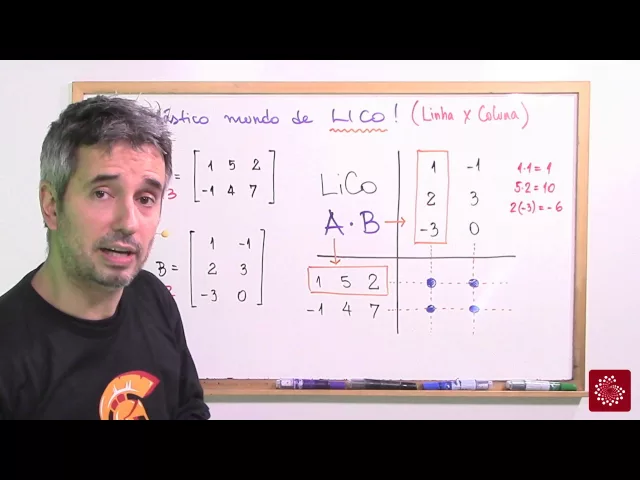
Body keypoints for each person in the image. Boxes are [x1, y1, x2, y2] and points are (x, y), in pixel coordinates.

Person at [0, 95, 210, 420]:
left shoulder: (152, 297)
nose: (129, 223)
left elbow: (189, 407)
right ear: (52, 205)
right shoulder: (8, 348)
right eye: (102, 193)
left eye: (145, 198)